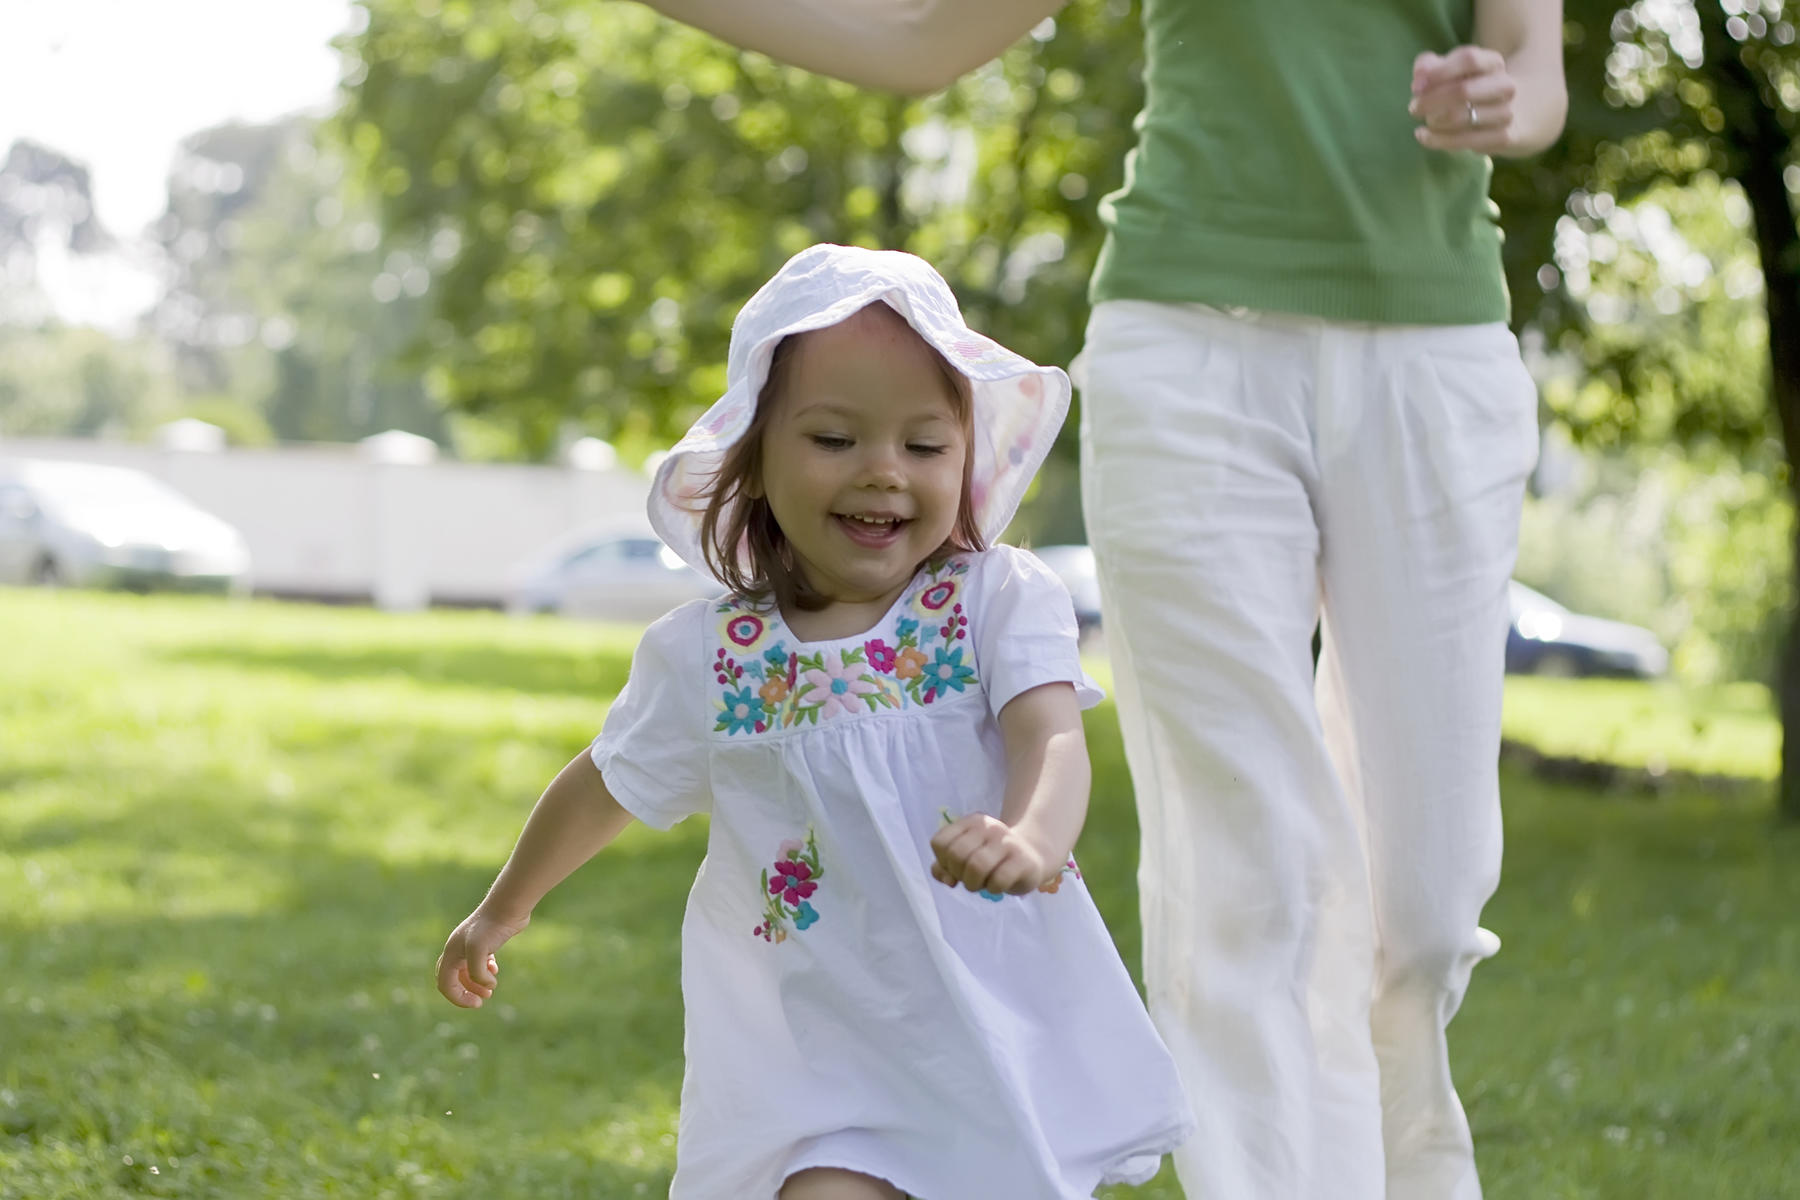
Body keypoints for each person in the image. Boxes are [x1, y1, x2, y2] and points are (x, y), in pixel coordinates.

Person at [614, 3, 1569, 1199]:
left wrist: (1502, 101)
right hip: (1187, 348)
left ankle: (1409, 1164)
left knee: (1425, 910)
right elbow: (923, 43)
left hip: (1434, 355)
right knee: (1248, 870)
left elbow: (1538, 76)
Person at [435, 244, 1195, 1200]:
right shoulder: (713, 656)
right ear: (753, 459)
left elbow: (1049, 733)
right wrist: (505, 905)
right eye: (835, 440)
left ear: (964, 461)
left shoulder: (994, 600)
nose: (883, 473)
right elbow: (607, 779)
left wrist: (1033, 836)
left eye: (923, 446)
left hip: (982, 1019)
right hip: (816, 1047)